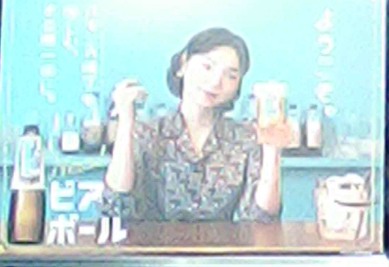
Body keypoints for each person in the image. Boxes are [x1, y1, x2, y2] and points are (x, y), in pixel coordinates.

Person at [101, 27, 286, 223]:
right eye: (207, 67)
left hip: (223, 242)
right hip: (153, 242)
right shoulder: (148, 132)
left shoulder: (245, 137)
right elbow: (116, 205)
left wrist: (272, 150)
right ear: (183, 65)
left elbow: (262, 218)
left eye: (231, 76)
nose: (216, 82)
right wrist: (126, 121)